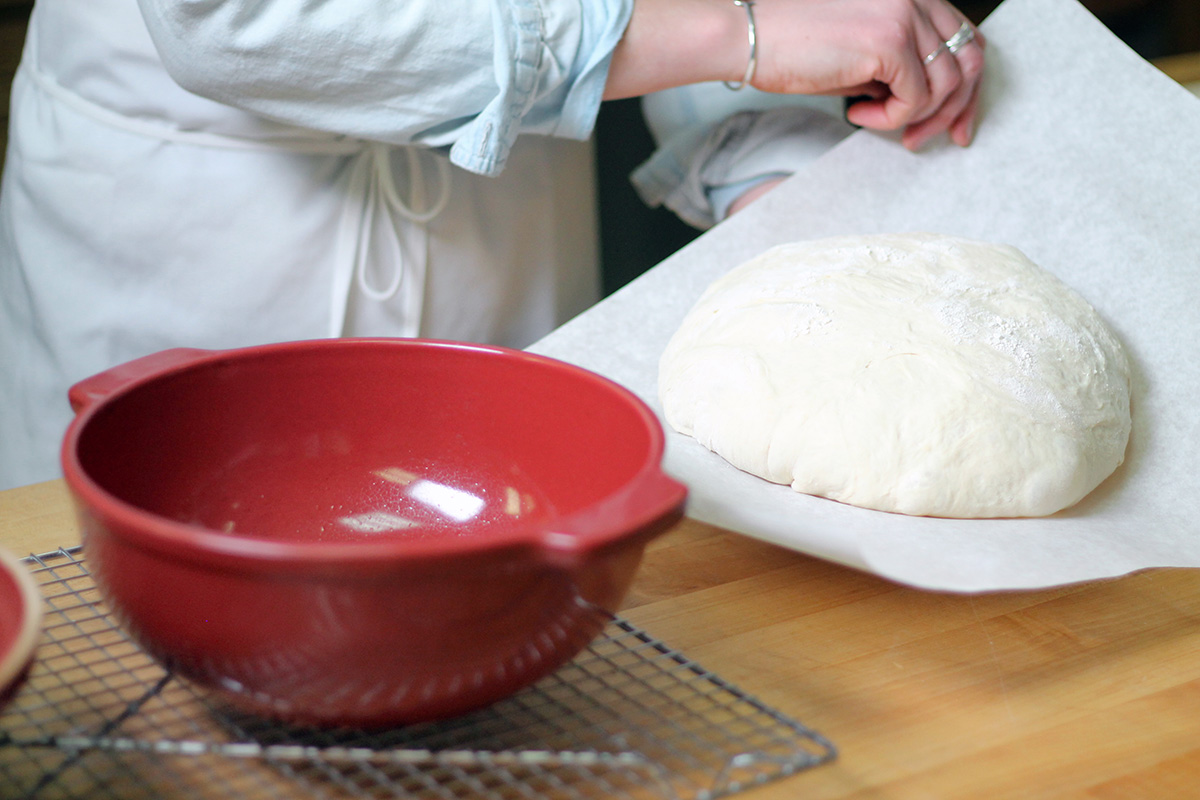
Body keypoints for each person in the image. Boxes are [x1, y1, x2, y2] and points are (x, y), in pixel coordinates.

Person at [0, 0, 985, 491]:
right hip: (205, 234)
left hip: (505, 224)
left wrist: (755, 150)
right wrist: (741, 37)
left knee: (499, 579)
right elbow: (240, 23)